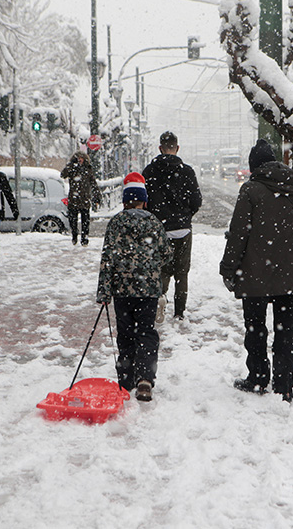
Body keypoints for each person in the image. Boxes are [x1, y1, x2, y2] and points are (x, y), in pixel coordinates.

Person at [219, 139, 293, 403]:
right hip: (290, 273)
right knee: (286, 329)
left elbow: (239, 234)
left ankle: (258, 377)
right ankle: (284, 385)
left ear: (254, 167)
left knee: (255, 327)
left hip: (255, 273)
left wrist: (228, 268)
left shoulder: (251, 190)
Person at [96, 172, 172, 402]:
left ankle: (126, 378)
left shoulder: (116, 223)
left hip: (122, 290)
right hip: (148, 290)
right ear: (144, 200)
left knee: (126, 333)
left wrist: (104, 291)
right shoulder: (154, 222)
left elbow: (107, 258)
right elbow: (167, 255)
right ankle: (145, 379)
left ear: (124, 201)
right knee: (147, 332)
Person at [142, 131, 202, 321]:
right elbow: (196, 201)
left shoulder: (150, 171)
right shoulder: (187, 171)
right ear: (177, 147)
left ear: (160, 148)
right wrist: (185, 216)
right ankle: (179, 312)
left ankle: (160, 296)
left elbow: (144, 201)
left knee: (162, 268)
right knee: (182, 272)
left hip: (159, 229)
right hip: (182, 229)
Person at [61, 151, 102, 246]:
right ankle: (74, 235)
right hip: (73, 199)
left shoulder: (88, 169)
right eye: (78, 158)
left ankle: (84, 238)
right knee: (72, 220)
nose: (80, 160)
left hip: (84, 199)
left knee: (85, 221)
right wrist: (71, 165)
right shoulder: (72, 169)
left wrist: (97, 195)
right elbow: (63, 174)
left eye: (81, 158)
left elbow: (93, 183)